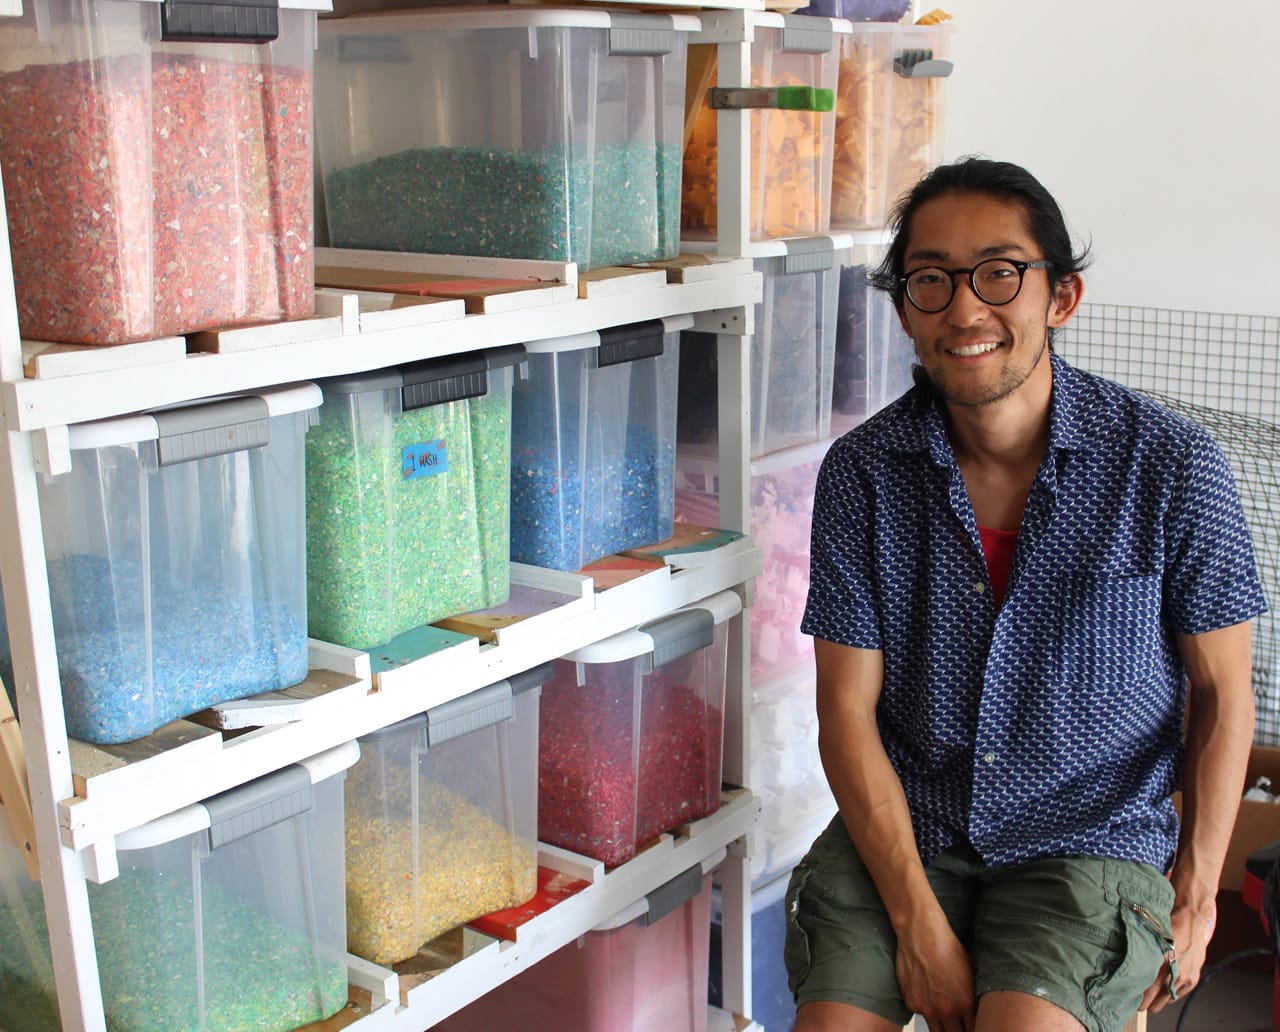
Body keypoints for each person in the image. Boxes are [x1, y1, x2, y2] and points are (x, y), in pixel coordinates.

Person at [784, 156, 1267, 1032]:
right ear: (905, 310)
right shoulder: (862, 473)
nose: (965, 308)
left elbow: (1224, 692)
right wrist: (916, 922)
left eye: (1000, 273)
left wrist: (1197, 898)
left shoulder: (1172, 465)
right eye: (931, 280)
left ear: (1061, 297)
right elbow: (846, 716)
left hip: (1088, 840)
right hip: (911, 829)